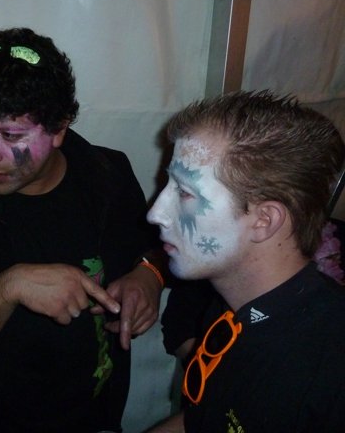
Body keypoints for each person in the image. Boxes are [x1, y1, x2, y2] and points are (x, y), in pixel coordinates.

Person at [0, 27, 166, 432]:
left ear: (59, 128)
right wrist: (10, 287)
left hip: (96, 417)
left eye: (10, 135)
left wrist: (149, 276)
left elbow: (154, 249)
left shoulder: (108, 173)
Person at [146, 91, 345, 432]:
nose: (155, 213)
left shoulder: (330, 370)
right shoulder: (231, 308)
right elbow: (202, 420)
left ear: (264, 221)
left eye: (185, 192)